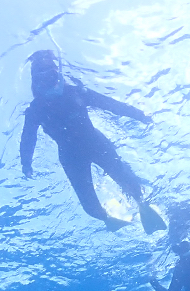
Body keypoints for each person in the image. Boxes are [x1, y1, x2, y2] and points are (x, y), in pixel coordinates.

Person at [19, 50, 166, 233]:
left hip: (95, 144)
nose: (48, 78)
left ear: (58, 73)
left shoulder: (76, 92)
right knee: (89, 205)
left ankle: (143, 207)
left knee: (126, 179)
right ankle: (108, 218)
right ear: (35, 81)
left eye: (51, 72)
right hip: (71, 157)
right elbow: (28, 138)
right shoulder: (35, 110)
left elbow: (110, 104)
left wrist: (139, 115)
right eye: (42, 75)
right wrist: (26, 163)